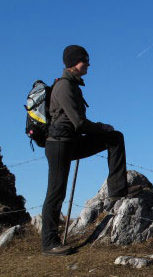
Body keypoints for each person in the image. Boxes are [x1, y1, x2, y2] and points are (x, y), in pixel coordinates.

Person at [41, 45, 136, 255]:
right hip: (58, 144)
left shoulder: (72, 85)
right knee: (56, 192)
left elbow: (78, 123)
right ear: (75, 62)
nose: (89, 64)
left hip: (69, 142)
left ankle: (117, 192)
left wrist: (103, 130)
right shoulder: (65, 86)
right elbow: (79, 123)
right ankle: (49, 243)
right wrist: (102, 127)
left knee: (115, 139)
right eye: (86, 60)